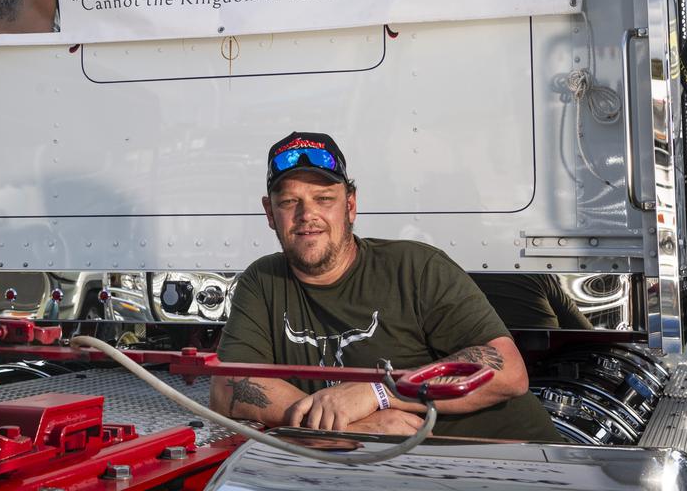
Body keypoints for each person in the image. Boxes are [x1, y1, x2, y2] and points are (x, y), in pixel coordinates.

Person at [209, 131, 561, 441]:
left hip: (510, 461)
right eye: (289, 202)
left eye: (324, 199)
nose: (307, 215)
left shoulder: (416, 268)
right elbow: (228, 387)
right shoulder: (262, 281)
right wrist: (349, 424)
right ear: (270, 213)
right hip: (387, 467)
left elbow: (508, 372)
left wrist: (379, 393)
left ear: (350, 206)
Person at [471, 273, 593, 330]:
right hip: (546, 360)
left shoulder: (458, 276)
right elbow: (582, 328)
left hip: (479, 366)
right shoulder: (536, 276)